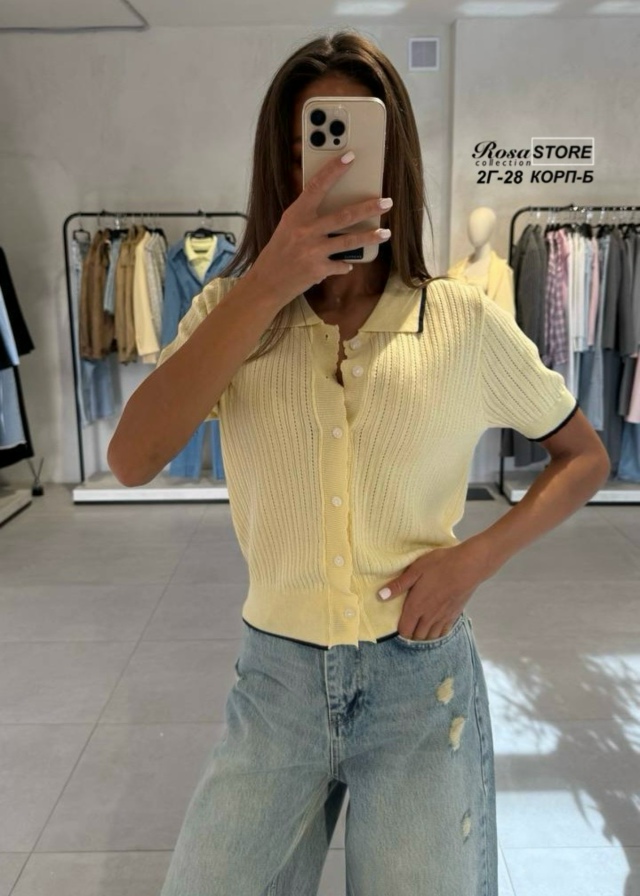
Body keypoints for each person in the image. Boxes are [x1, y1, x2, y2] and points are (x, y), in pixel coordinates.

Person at [108, 29, 610, 896]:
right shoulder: (232, 312)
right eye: (309, 145)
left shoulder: (458, 321)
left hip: (421, 687)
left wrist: (475, 560)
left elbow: (585, 456)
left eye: (354, 147)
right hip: (276, 687)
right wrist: (268, 282)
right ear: (278, 165)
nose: (329, 172)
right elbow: (131, 459)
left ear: (393, 160)